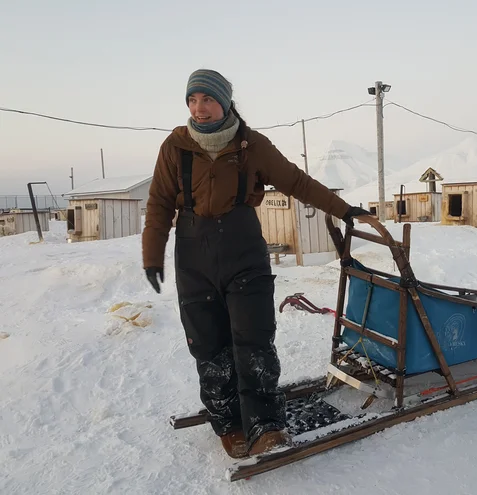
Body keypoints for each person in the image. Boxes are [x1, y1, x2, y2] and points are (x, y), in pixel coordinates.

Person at [141, 68, 370, 459]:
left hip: (244, 249)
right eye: (193, 101)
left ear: (225, 102)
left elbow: (297, 182)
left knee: (254, 340)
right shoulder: (175, 147)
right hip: (193, 254)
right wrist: (152, 254)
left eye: (208, 99)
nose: (200, 108)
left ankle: (265, 424)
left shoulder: (252, 145)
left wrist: (344, 209)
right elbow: (160, 203)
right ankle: (228, 422)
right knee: (208, 344)